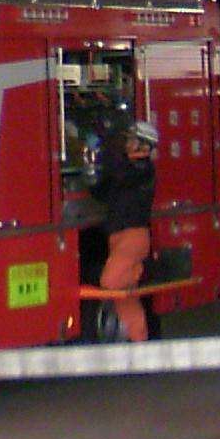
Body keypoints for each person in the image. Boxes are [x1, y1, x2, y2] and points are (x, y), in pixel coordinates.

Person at [96, 120, 159, 342]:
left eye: (132, 140)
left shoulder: (143, 170)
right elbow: (104, 192)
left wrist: (107, 151)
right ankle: (140, 341)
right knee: (126, 298)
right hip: (119, 238)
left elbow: (122, 178)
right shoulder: (128, 169)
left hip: (133, 237)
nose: (128, 144)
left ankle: (136, 273)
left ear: (145, 146)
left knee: (111, 282)